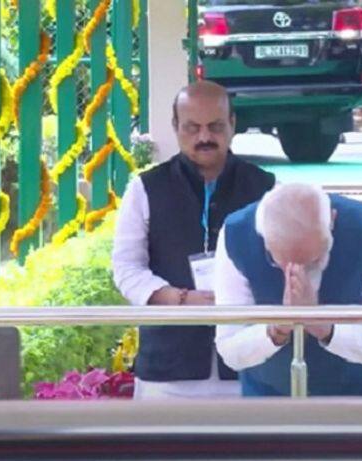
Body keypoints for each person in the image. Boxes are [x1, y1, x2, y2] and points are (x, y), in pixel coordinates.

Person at [112, 81, 275, 399]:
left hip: (249, 366)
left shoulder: (266, 188)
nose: (204, 137)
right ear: (175, 127)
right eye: (192, 128)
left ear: (233, 124)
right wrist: (178, 299)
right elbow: (126, 268)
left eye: (215, 126)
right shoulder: (145, 188)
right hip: (168, 371)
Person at [213, 183, 362, 397]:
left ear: (332, 221)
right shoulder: (236, 234)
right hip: (270, 398)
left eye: (312, 262)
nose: (298, 273)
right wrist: (275, 330)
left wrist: (325, 327)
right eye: (281, 263)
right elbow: (230, 350)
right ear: (264, 239)